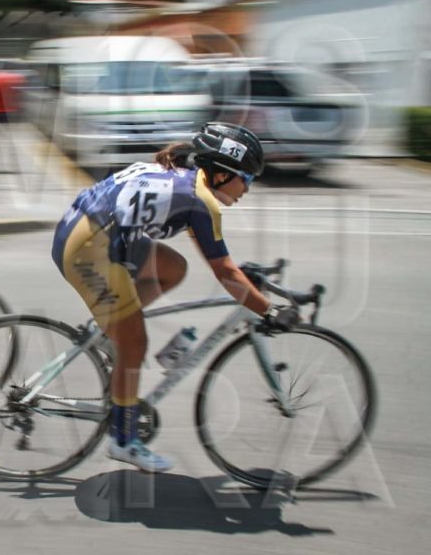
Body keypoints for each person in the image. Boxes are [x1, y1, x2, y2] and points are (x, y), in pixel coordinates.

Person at [51, 122, 300, 473]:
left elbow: (220, 262)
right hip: (89, 247)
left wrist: (249, 285)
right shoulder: (199, 200)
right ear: (223, 174)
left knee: (173, 267)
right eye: (247, 178)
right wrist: (269, 311)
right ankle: (123, 440)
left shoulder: (190, 182)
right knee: (134, 343)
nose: (248, 188)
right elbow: (224, 272)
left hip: (94, 231)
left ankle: (110, 330)